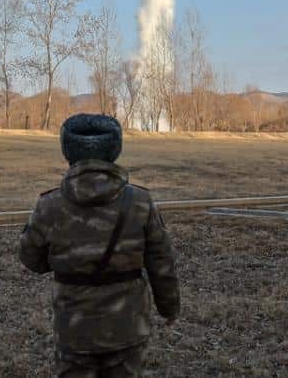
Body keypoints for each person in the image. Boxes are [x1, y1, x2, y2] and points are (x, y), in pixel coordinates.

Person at [20, 114, 180, 378]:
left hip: (73, 328)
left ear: (67, 150)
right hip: (127, 326)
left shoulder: (50, 205)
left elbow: (30, 258)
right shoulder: (140, 202)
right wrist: (169, 308)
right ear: (115, 149)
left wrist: (69, 260)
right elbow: (162, 263)